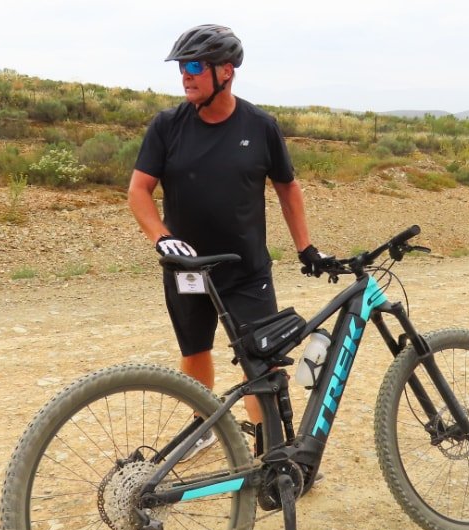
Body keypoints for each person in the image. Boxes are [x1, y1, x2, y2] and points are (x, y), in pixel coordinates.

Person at [128, 24, 330, 454]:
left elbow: (287, 187)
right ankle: (203, 426)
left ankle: (272, 447)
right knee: (195, 351)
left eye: (195, 65)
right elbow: (138, 190)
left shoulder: (259, 126)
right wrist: (161, 239)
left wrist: (305, 247)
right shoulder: (167, 126)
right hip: (188, 270)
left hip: (245, 270)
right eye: (182, 67)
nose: (186, 75)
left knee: (262, 361)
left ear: (226, 71)